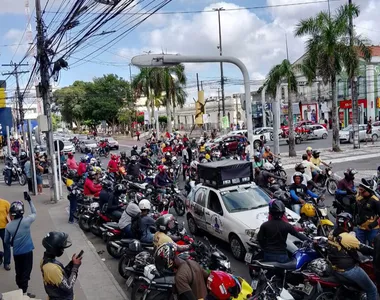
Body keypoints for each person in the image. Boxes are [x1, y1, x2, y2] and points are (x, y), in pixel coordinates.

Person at [327, 213, 377, 300]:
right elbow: (365, 249)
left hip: (334, 266)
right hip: (348, 270)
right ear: (349, 224)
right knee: (372, 289)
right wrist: (376, 251)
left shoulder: (331, 233)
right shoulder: (346, 237)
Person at [5, 197, 36, 298]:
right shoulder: (27, 221)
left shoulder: (8, 226)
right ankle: (24, 293)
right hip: (27, 252)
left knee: (19, 271)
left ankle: (20, 288)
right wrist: (30, 201)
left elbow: (6, 241)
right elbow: (34, 212)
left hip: (17, 253)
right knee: (26, 271)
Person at [41, 231, 82, 300]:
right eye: (62, 248)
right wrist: (75, 267)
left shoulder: (46, 261)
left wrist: (72, 263)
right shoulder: (52, 268)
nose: (62, 249)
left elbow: (61, 275)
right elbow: (68, 286)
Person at [355, 179, 380, 245]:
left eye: (362, 190)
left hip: (372, 229)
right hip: (360, 228)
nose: (360, 192)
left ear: (369, 191)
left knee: (372, 247)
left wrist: (372, 225)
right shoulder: (359, 198)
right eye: (359, 189)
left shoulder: (375, 201)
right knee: (359, 246)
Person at [0, 198, 11, 270]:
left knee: (6, 245)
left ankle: (6, 263)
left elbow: (11, 214)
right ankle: (0, 255)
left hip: (4, 228)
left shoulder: (5, 203)